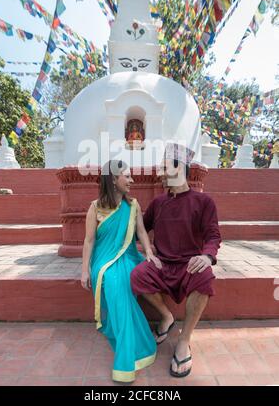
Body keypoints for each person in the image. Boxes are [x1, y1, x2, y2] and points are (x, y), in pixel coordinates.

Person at [131, 143, 222, 378]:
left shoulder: (204, 202)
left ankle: (184, 340)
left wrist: (206, 255)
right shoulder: (158, 203)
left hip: (188, 266)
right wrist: (145, 248)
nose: (159, 172)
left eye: (163, 167)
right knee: (137, 275)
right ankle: (167, 316)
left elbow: (213, 235)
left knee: (205, 278)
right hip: (162, 265)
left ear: (178, 167)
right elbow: (140, 229)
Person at [81, 160, 159, 383]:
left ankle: (125, 358)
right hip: (103, 261)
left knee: (120, 282)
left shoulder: (133, 205)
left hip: (128, 257)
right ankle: (128, 347)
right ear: (113, 180)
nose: (132, 179)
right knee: (112, 279)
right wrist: (84, 270)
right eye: (127, 175)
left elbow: (142, 233)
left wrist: (150, 254)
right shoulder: (95, 207)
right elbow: (89, 241)